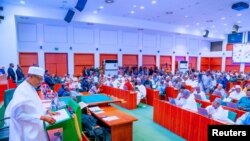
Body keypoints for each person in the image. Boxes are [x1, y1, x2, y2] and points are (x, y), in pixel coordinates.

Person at [4, 66, 57, 141]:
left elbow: (37, 104)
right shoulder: (22, 90)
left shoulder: (31, 87)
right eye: (38, 79)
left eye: (41, 79)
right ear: (31, 76)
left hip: (35, 123)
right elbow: (18, 115)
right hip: (26, 129)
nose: (40, 82)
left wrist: (47, 111)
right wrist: (41, 117)